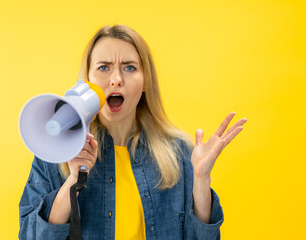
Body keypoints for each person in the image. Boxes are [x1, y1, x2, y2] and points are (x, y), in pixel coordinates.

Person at [19, 25, 247, 240]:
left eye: (129, 67)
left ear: (146, 81)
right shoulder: (54, 151)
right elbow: (28, 235)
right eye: (103, 67)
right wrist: (73, 182)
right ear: (87, 80)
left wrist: (201, 179)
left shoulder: (177, 152)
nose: (116, 80)